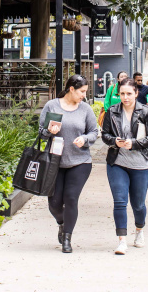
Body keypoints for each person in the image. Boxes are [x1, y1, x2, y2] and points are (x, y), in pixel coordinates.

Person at [39, 74, 99, 253]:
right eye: (82, 92)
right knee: (54, 203)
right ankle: (61, 222)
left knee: (71, 198)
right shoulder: (52, 106)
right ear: (71, 89)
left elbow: (94, 132)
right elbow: (41, 132)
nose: (84, 95)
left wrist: (84, 139)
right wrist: (49, 131)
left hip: (80, 161)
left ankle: (67, 238)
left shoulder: (85, 109)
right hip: (55, 161)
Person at [102, 77, 148, 255]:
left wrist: (134, 144)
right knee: (120, 201)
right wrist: (114, 141)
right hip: (117, 162)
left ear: (136, 93)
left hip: (141, 164)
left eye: (129, 94)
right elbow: (105, 135)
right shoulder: (112, 111)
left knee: (138, 204)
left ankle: (139, 230)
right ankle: (122, 241)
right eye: (122, 94)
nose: (125, 97)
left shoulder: (146, 112)